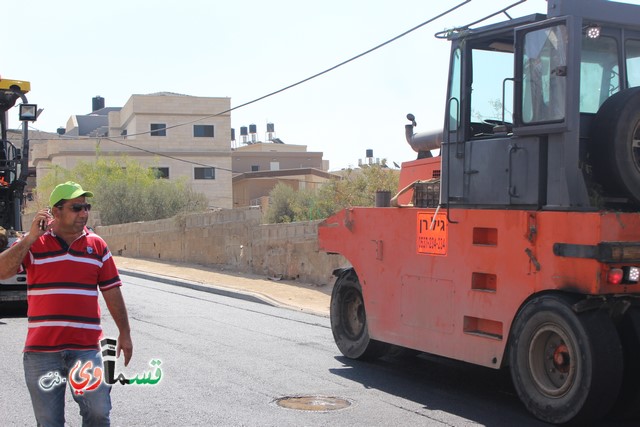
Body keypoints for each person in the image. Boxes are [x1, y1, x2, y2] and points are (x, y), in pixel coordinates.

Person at [0, 181, 133, 427]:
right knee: (49, 422)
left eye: (86, 207)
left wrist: (125, 332)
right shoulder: (34, 245)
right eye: (77, 207)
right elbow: (2, 270)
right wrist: (29, 238)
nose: (84, 213)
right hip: (42, 352)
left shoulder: (97, 246)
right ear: (56, 211)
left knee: (98, 412)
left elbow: (111, 291)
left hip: (86, 349)